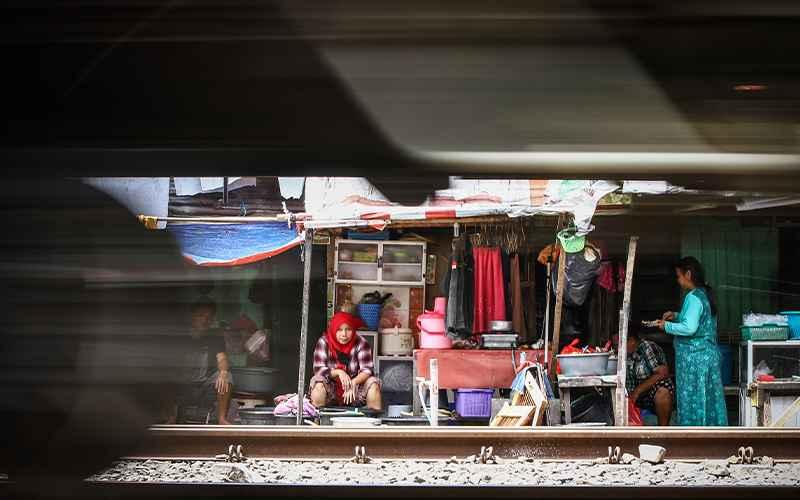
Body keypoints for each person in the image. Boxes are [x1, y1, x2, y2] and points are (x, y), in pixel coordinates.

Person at [656, 257, 728, 426]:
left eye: (679, 276)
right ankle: (714, 438)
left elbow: (690, 328)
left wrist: (666, 326)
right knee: (709, 401)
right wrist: (677, 316)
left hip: (695, 362)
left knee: (693, 400)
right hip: (707, 359)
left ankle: (694, 436)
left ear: (688, 274)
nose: (678, 280)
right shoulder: (703, 295)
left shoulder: (693, 297)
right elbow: (698, 320)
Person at [174, 300, 234, 425]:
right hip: (182, 386)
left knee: (226, 376)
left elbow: (222, 358)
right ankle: (170, 417)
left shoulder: (214, 337)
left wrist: (223, 372)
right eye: (201, 316)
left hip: (204, 387)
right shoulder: (180, 335)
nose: (205, 320)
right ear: (192, 316)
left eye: (209, 317)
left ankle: (222, 418)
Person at [309, 311, 382, 410]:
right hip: (331, 390)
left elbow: (367, 370)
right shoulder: (324, 342)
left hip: (355, 389)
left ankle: (373, 421)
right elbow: (318, 369)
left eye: (348, 329)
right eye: (339, 330)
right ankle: (318, 421)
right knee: (318, 384)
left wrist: (353, 383)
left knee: (373, 385)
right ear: (333, 329)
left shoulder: (361, 342)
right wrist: (339, 372)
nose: (344, 334)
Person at [614, 332, 675, 426]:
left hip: (649, 394)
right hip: (632, 398)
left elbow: (662, 372)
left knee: (663, 391)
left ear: (631, 341)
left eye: (618, 344)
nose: (617, 348)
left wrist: (638, 391)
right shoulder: (620, 354)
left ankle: (663, 431)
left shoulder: (647, 347)